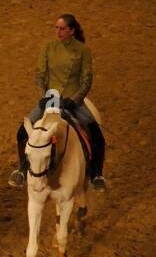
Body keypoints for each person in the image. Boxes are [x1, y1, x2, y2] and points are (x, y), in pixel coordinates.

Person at [10, 14, 107, 190]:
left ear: (72, 31)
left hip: (72, 100)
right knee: (22, 132)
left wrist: (75, 100)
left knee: (96, 134)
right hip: (50, 99)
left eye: (62, 29)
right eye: (56, 28)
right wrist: (43, 96)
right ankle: (22, 170)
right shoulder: (49, 48)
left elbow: (86, 80)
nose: (58, 31)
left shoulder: (83, 51)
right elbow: (40, 75)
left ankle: (96, 174)